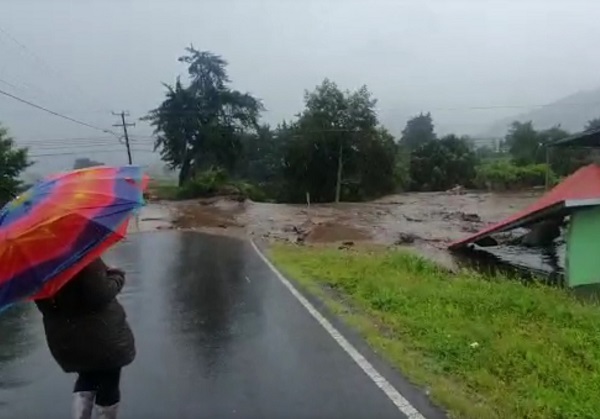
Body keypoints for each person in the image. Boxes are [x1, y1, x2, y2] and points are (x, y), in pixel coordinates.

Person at [35, 258, 136, 419]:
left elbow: (46, 307)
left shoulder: (37, 266)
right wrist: (117, 275)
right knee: (109, 381)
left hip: (67, 337)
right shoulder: (81, 255)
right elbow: (101, 293)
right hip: (102, 335)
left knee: (87, 376)